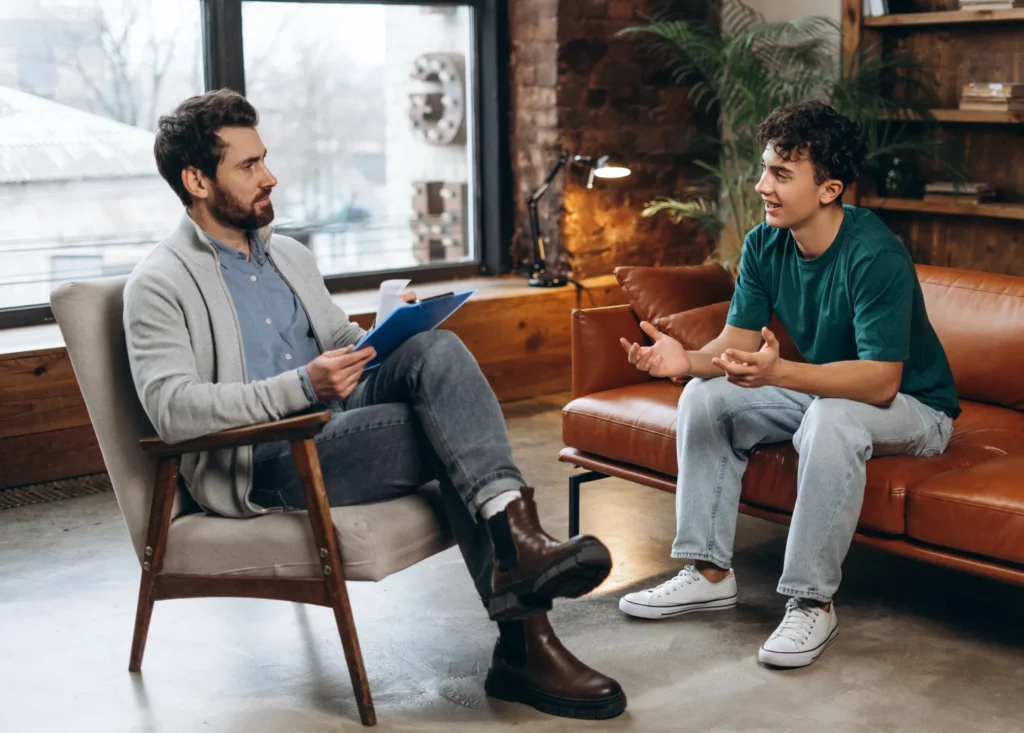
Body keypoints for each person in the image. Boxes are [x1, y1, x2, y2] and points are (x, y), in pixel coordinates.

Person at [124, 89, 625, 720]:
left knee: (436, 351)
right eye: (247, 166)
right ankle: (525, 632)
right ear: (196, 180)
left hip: (341, 426)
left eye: (265, 159)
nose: (269, 176)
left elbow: (339, 344)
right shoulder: (159, 282)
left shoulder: (288, 255)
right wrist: (306, 386)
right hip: (270, 461)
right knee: (452, 437)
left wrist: (388, 331)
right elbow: (174, 409)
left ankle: (516, 548)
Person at [617, 100, 960, 668]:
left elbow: (879, 384)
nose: (761, 186)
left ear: (828, 189)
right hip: (826, 390)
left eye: (780, 174)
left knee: (831, 418)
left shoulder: (875, 255)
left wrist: (780, 374)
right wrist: (686, 361)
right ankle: (707, 571)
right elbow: (738, 342)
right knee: (705, 396)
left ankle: (810, 604)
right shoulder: (764, 244)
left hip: (915, 407)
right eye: (764, 170)